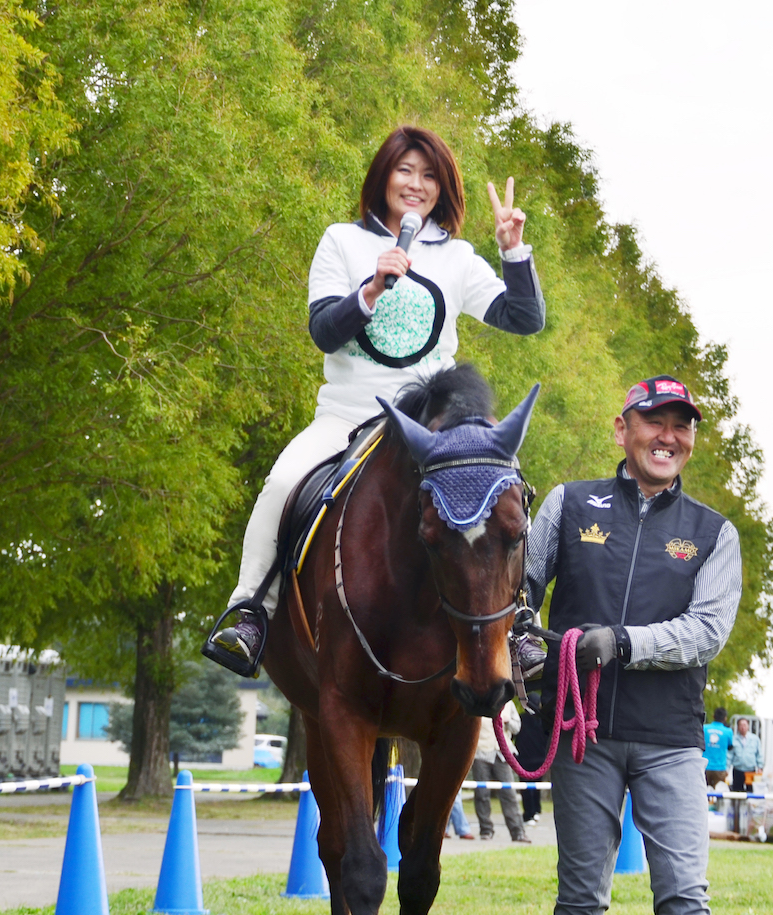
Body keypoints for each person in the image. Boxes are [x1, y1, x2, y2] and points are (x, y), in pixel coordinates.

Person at [207, 127, 545, 674]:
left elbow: (525, 318)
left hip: (431, 431)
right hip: (346, 416)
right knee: (280, 482)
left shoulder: (457, 257)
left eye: (430, 175)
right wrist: (369, 290)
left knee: (504, 489)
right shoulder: (341, 241)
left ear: (443, 189)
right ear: (383, 176)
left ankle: (521, 620)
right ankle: (250, 612)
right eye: (405, 170)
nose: (416, 184)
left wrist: (513, 252)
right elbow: (323, 331)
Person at [525, 374, 742, 915]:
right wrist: (523, 656)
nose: (669, 436)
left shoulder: (715, 533)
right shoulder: (567, 504)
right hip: (581, 735)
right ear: (623, 430)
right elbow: (516, 594)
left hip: (670, 740)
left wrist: (622, 643)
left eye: (681, 425)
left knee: (684, 899)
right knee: (579, 901)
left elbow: (707, 632)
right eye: (654, 422)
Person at [474, 699, 530, 842]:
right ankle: (486, 830)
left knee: (509, 793)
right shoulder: (477, 699)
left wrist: (508, 721)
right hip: (481, 752)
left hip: (503, 753)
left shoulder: (508, 702)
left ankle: (518, 832)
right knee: (482, 794)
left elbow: (517, 727)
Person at [515, 691, 549, 825]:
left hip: (523, 758)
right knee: (536, 786)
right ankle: (536, 810)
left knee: (526, 787)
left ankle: (529, 813)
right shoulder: (544, 720)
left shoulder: (521, 719)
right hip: (540, 758)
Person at [729, 717, 763, 792]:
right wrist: (727, 767)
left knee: (751, 791)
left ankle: (750, 804)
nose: (743, 727)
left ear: (748, 726)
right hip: (738, 769)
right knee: (737, 791)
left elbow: (759, 753)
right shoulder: (734, 739)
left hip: (750, 770)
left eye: (744, 725)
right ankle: (737, 804)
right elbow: (729, 755)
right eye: (740, 725)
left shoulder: (755, 739)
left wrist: (760, 767)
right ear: (738, 727)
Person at [702, 709, 734, 787]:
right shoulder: (728, 731)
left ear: (713, 716)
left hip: (704, 766)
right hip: (720, 767)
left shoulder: (704, 728)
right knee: (719, 793)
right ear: (725, 718)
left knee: (703, 792)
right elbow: (730, 747)